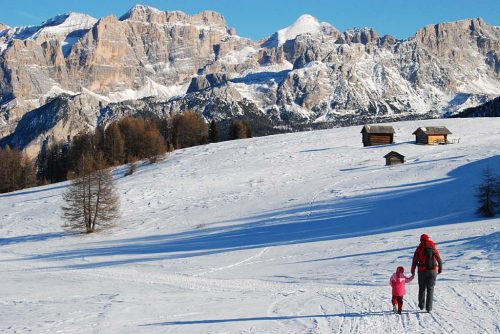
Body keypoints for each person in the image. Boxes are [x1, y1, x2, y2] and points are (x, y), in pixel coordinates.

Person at [411, 233, 443, 313]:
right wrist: (440, 269)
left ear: (421, 240)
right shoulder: (433, 248)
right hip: (432, 271)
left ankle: (421, 305)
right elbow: (439, 259)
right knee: (430, 289)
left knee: (422, 288)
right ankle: (429, 308)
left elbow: (414, 260)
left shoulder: (419, 249)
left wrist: (413, 270)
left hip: (422, 271)